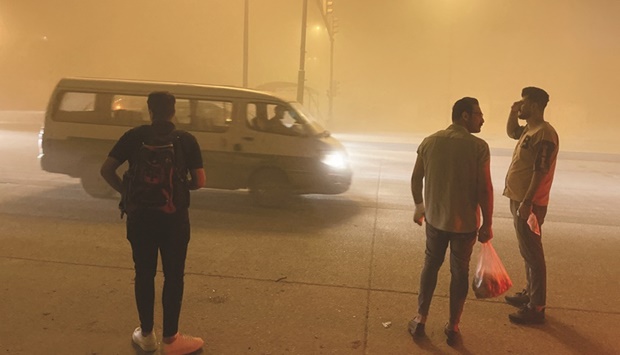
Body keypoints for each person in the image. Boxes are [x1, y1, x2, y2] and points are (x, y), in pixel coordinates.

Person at [100, 91, 206, 354]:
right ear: (173, 111)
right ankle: (172, 339)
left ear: (149, 110)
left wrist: (126, 193)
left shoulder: (134, 137)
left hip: (140, 218)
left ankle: (146, 335)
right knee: (173, 276)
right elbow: (200, 181)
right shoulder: (186, 140)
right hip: (175, 220)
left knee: (144, 274)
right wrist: (180, 186)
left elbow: (106, 170)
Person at [408, 97, 494, 346]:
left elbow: (416, 179)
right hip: (465, 225)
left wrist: (419, 206)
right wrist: (487, 223)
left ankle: (420, 319)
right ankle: (453, 327)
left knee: (430, 267)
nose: (482, 119)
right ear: (465, 116)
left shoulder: (429, 141)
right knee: (459, 273)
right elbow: (485, 189)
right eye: (479, 114)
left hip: (435, 221)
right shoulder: (478, 147)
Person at [503, 87, 559, 325]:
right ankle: (529, 293)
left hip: (530, 202)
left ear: (535, 106)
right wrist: (513, 112)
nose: (520, 105)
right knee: (526, 249)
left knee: (533, 253)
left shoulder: (545, 133)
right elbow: (512, 132)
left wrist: (527, 202)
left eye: (524, 103)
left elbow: (540, 170)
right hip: (520, 198)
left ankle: (536, 307)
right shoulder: (530, 129)